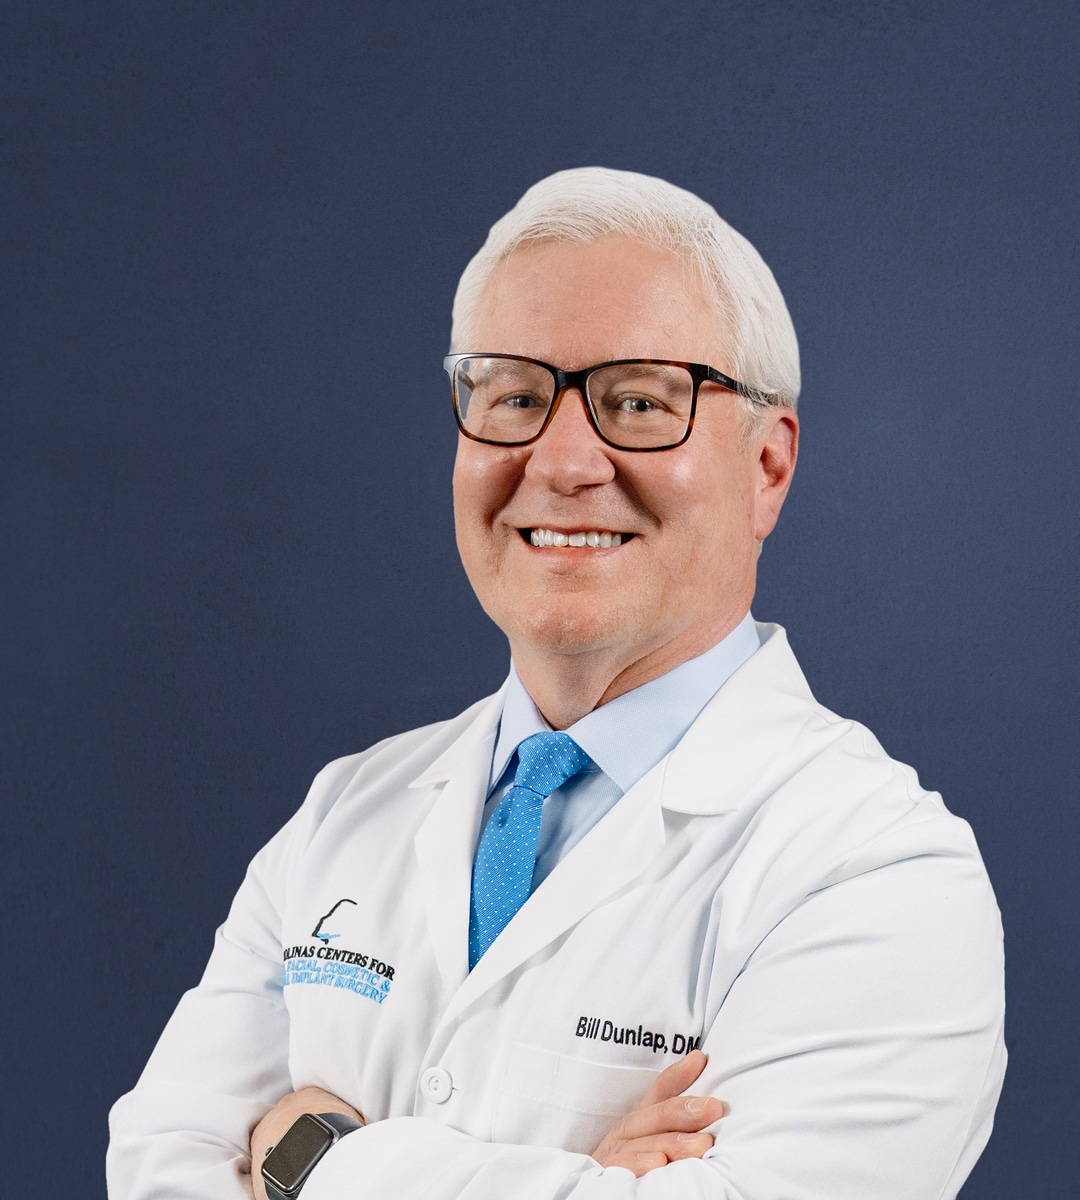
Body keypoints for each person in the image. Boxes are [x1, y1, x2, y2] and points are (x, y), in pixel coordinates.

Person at [108, 168, 1006, 1200]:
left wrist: (304, 1157)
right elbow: (155, 1171)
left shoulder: (875, 870)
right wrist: (584, 1180)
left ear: (768, 465)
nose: (564, 460)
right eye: (516, 397)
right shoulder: (340, 817)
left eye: (639, 401)